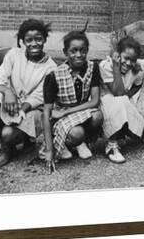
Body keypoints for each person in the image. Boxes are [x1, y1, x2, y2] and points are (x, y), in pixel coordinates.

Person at [0, 19, 57, 168]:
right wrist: (7, 92)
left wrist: (21, 110)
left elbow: (39, 95)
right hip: (10, 102)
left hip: (31, 108)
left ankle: (25, 140)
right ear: (22, 41)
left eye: (38, 39)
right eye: (29, 40)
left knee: (8, 134)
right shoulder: (14, 55)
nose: (34, 44)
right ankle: (7, 150)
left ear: (44, 39)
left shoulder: (51, 67)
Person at [42, 27, 103, 172]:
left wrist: (67, 111)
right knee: (77, 133)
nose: (79, 55)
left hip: (79, 110)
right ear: (65, 53)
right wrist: (49, 150)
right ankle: (71, 143)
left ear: (87, 50)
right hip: (61, 116)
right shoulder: (54, 76)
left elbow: (94, 101)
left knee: (98, 116)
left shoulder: (93, 68)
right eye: (73, 51)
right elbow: (46, 113)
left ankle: (83, 142)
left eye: (83, 50)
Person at [99, 36, 144, 163]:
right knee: (119, 102)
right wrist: (115, 66)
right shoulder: (106, 65)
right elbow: (117, 92)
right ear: (118, 55)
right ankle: (111, 145)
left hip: (122, 100)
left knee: (130, 110)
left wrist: (128, 95)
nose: (129, 63)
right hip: (106, 101)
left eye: (133, 60)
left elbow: (137, 85)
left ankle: (121, 135)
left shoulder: (136, 69)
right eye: (126, 58)